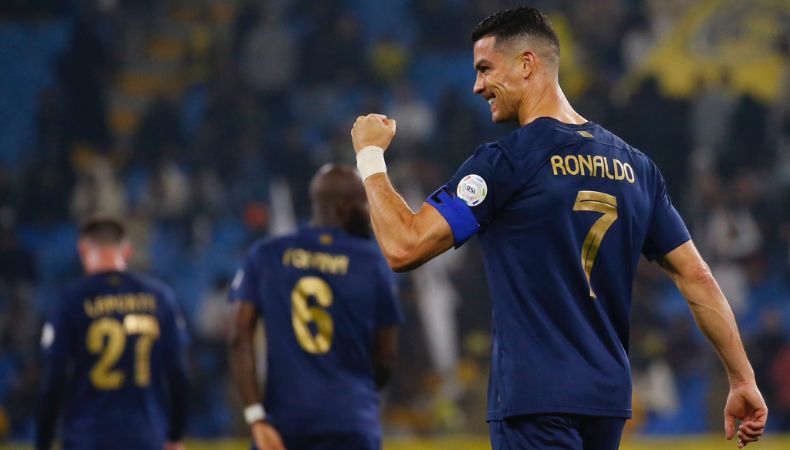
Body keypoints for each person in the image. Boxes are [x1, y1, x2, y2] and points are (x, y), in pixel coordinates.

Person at [350, 5, 767, 450]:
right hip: (606, 401)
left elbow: (404, 246)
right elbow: (697, 276)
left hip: (535, 399)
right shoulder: (636, 168)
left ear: (527, 64)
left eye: (486, 69)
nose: (477, 86)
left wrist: (370, 157)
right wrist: (742, 378)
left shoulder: (507, 162)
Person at [228, 164, 402, 450]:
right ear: (344, 205)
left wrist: (256, 416)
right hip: (352, 422)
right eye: (365, 204)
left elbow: (239, 335)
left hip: (284, 423)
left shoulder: (267, 255)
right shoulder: (371, 263)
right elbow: (386, 355)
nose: (370, 215)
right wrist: (356, 395)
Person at [35, 216, 189, 450]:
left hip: (87, 437)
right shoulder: (159, 297)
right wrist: (175, 436)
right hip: (146, 436)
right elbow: (178, 374)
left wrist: (43, 442)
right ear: (126, 250)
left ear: (83, 249)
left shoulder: (70, 299)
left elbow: (54, 379)